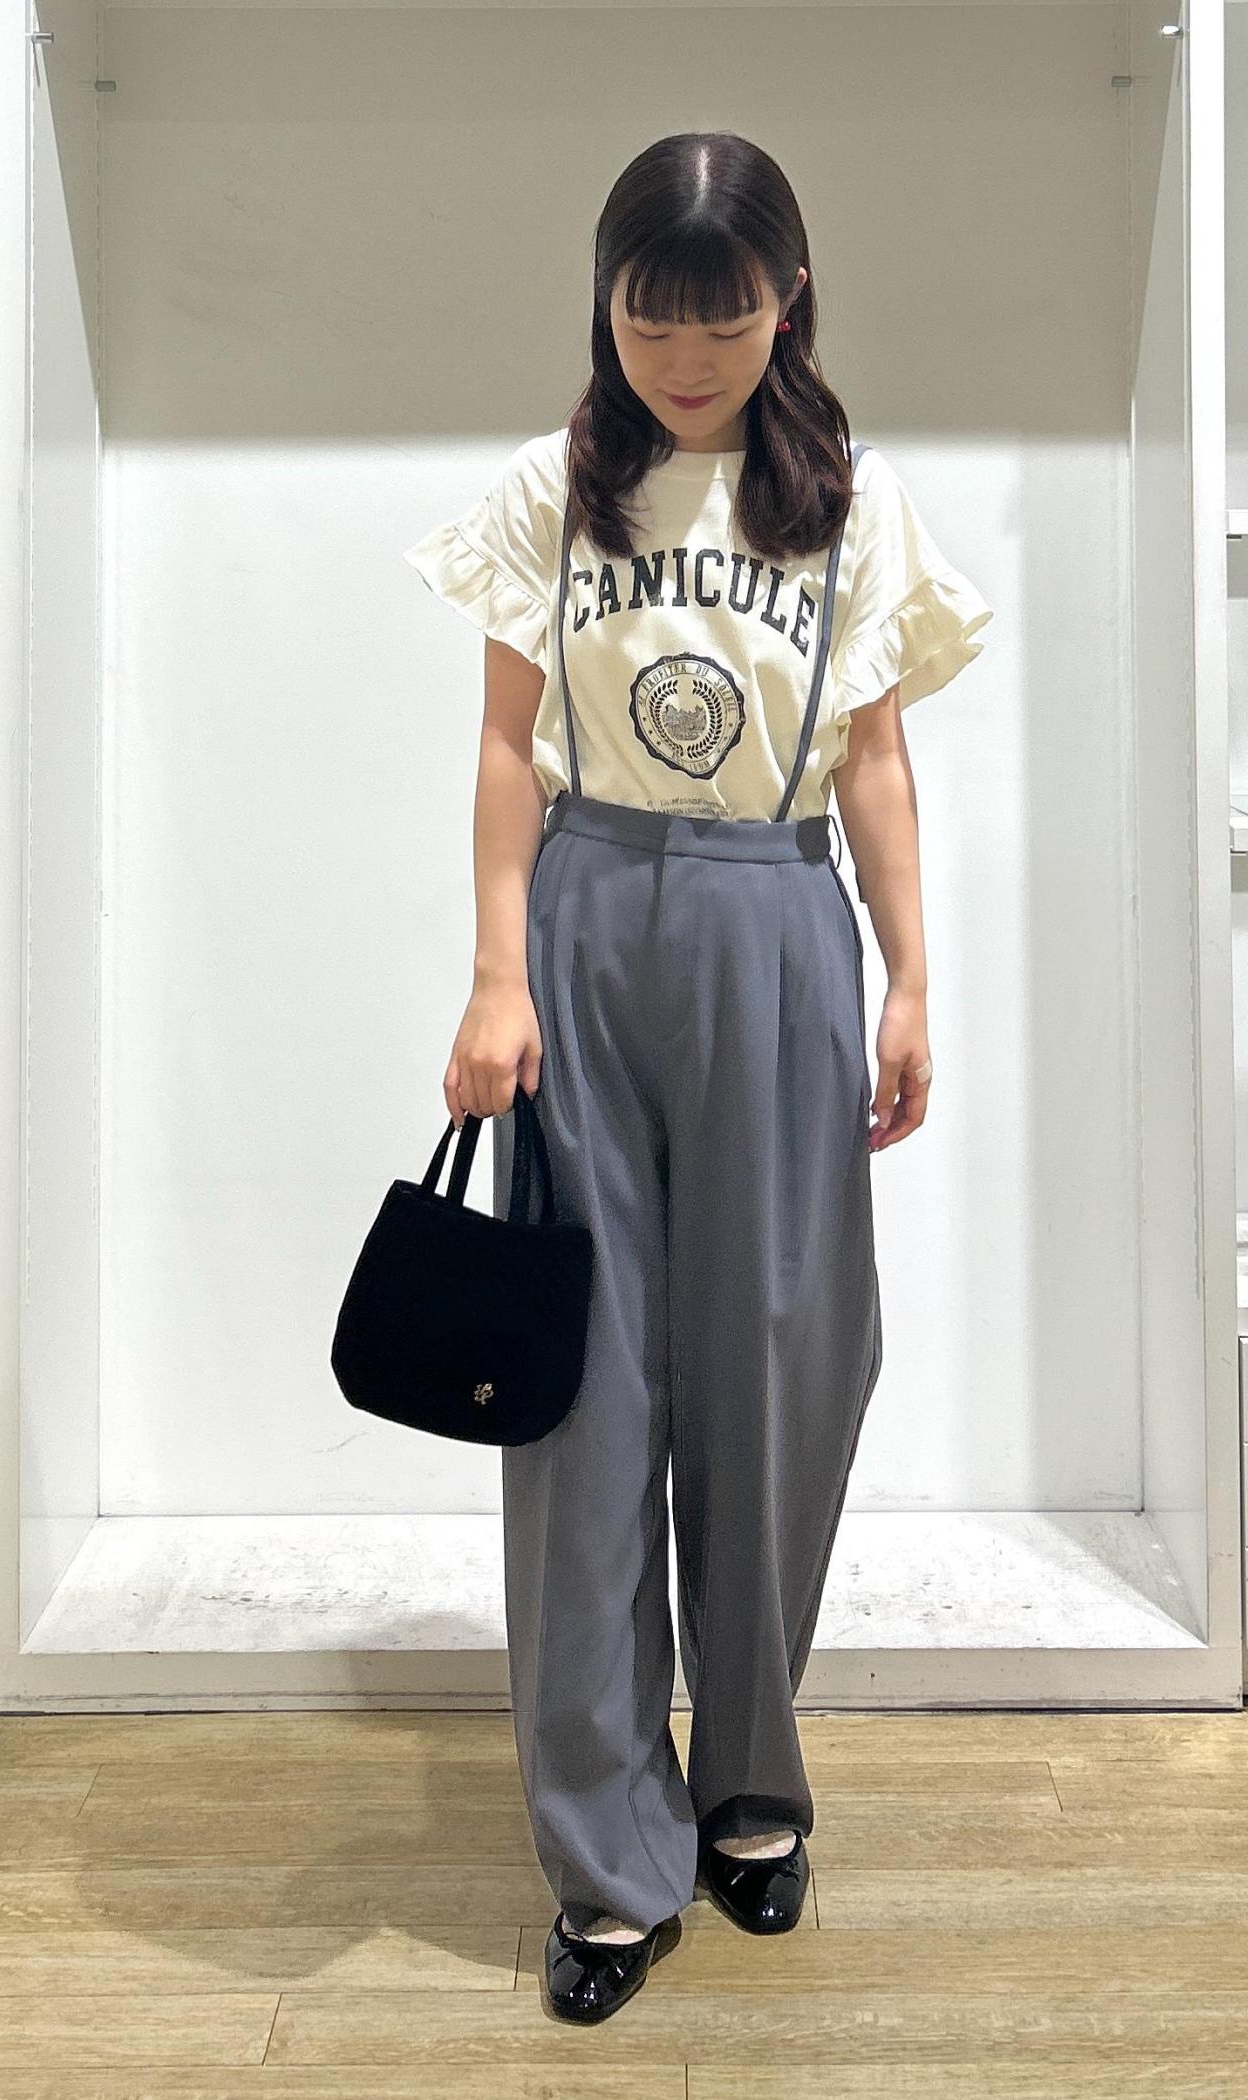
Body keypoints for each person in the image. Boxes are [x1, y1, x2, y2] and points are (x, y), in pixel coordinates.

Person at [403, 130, 993, 2025]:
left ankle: (747, 1785)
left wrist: (911, 979)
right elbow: (508, 751)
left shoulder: (850, 500)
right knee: (585, 1392)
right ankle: (605, 1857)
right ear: (604, 303)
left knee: (784, 1364)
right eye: (650, 320)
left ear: (787, 302)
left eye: (721, 320)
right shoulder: (555, 487)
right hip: (587, 922)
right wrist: (497, 974)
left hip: (778, 921)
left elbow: (877, 764)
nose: (683, 358)